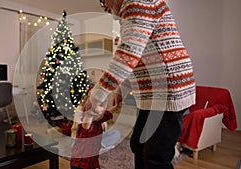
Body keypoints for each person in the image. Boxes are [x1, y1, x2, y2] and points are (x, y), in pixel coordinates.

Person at [83, 0, 196, 169]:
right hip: (153, 92)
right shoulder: (132, 9)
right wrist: (120, 91)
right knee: (138, 145)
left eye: (103, 1)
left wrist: (96, 95)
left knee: (156, 157)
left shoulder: (137, 3)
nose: (104, 6)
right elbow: (138, 58)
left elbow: (128, 55)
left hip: (167, 91)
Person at [70, 88, 119, 169]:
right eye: (100, 105)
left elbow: (107, 114)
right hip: (80, 164)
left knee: (115, 133)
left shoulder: (97, 121)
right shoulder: (86, 122)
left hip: (92, 159)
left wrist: (116, 106)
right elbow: (89, 117)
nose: (103, 108)